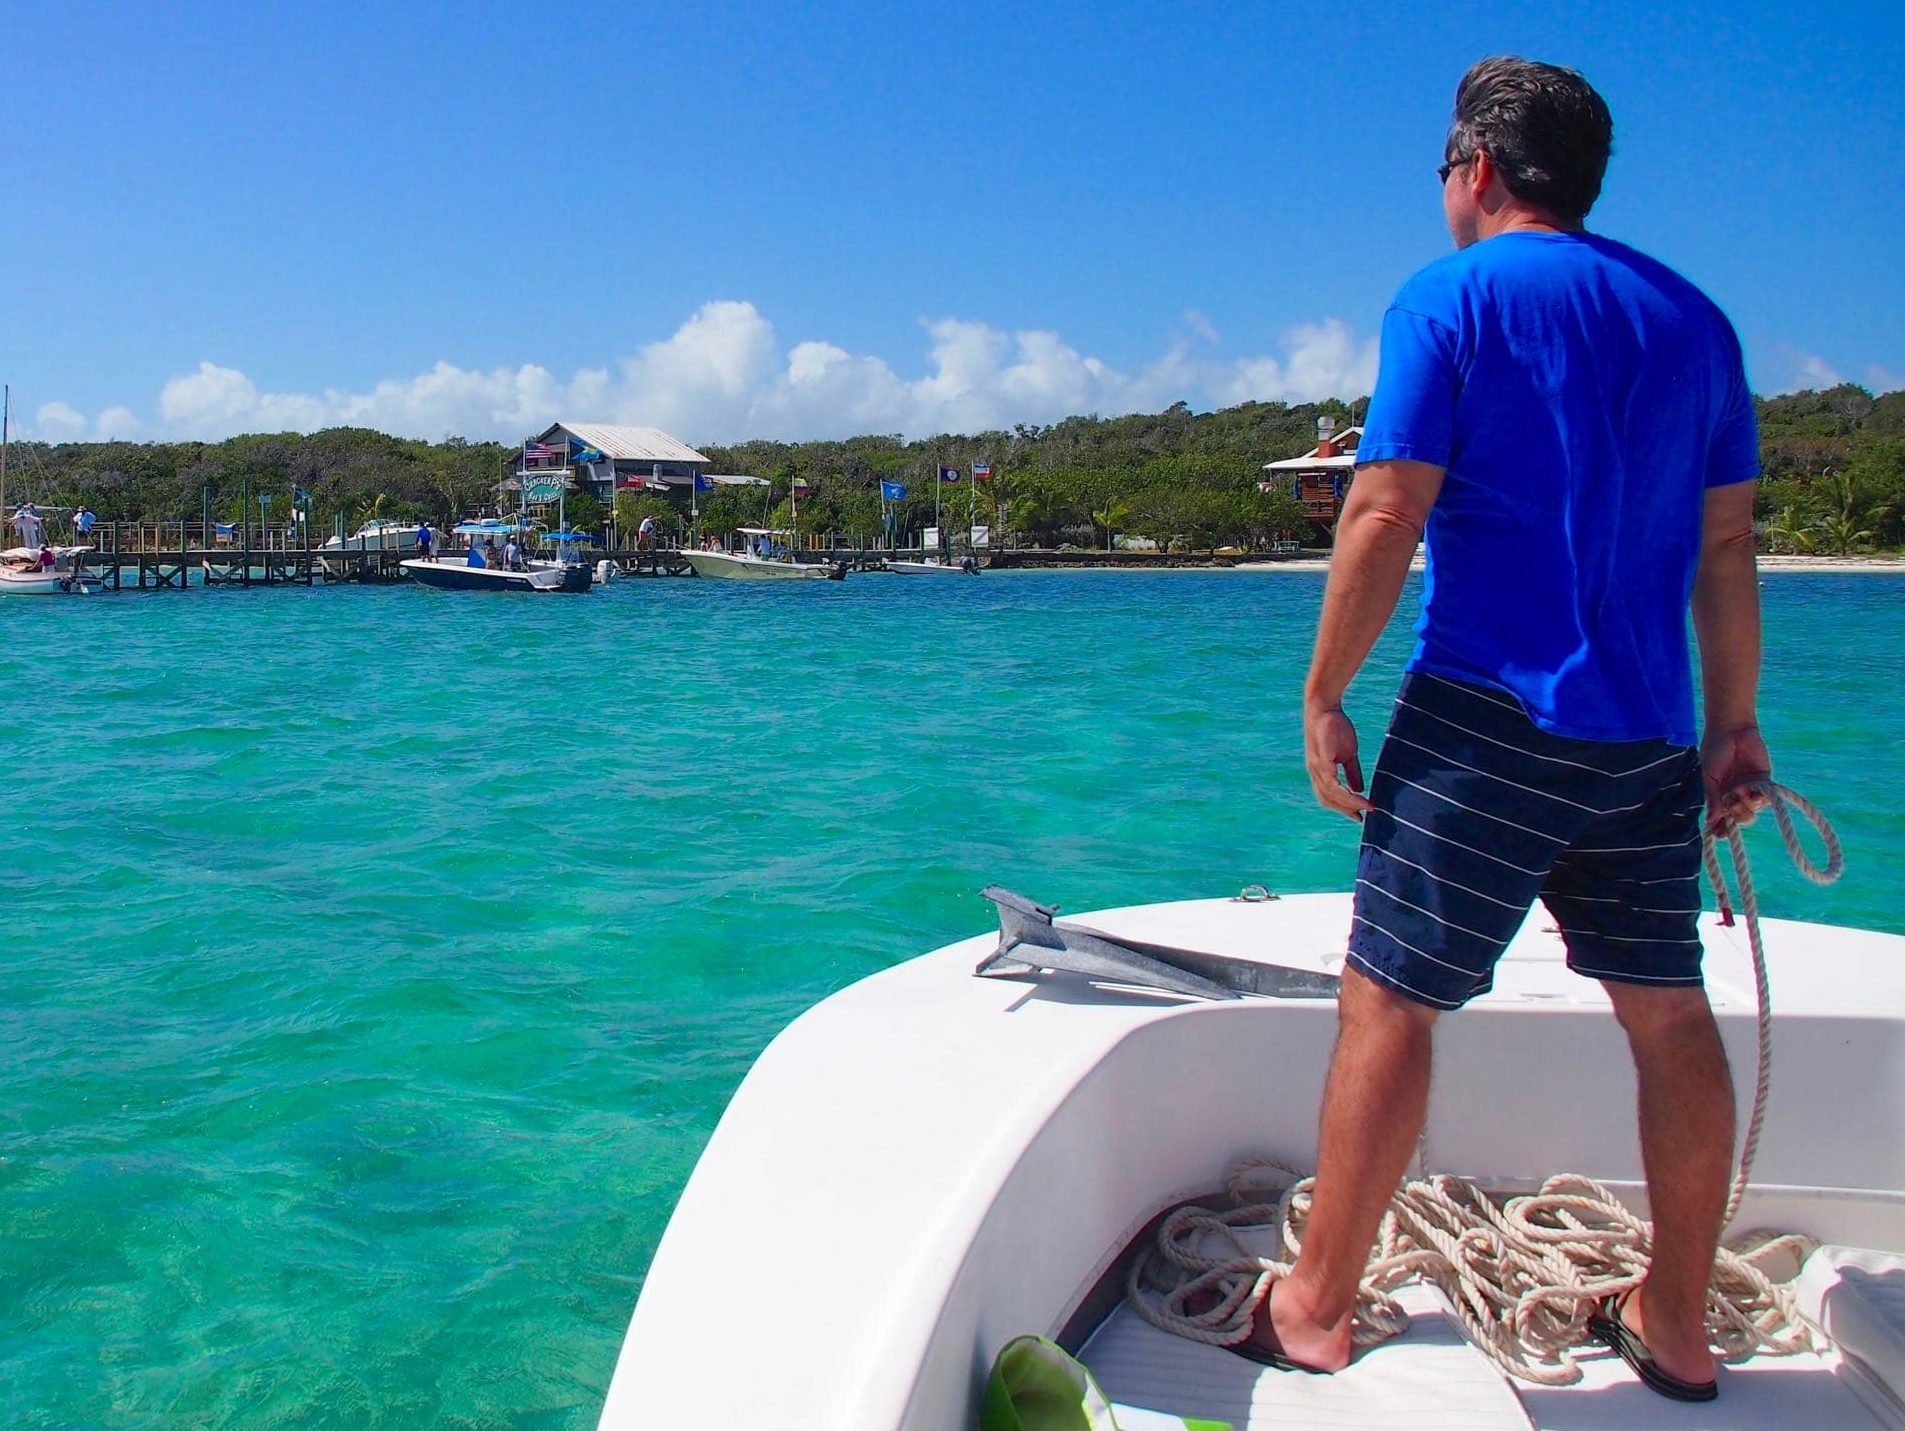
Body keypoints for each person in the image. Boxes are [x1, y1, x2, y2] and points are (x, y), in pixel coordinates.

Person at [1264, 58, 1764, 1405]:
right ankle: (1674, 1322)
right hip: (1648, 743)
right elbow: (1725, 547)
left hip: (1484, 722)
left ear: (1475, 169)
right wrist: (1734, 727)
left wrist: (1322, 695)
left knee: (1388, 1003)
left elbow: (1381, 510)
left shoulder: (1450, 298)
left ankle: (1313, 1304)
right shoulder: (1696, 322)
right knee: (1666, 1019)